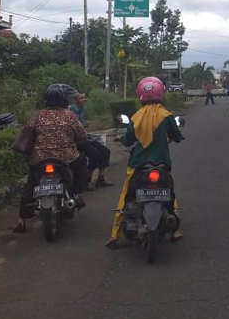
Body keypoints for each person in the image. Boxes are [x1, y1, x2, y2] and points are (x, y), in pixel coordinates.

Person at [105, 76, 185, 249]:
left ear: (140, 94)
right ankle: (175, 230)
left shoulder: (135, 117)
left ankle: (114, 234)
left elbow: (127, 141)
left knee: (126, 195)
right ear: (161, 92)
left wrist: (121, 139)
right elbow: (177, 137)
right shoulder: (167, 116)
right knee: (169, 192)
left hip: (138, 164)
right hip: (162, 163)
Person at [14, 84, 90, 233]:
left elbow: (27, 131)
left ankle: (21, 219)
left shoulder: (38, 115)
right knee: (82, 161)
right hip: (66, 158)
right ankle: (77, 194)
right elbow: (82, 134)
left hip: (40, 158)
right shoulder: (69, 115)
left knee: (31, 182)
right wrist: (84, 137)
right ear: (64, 99)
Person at [68, 93, 114, 189]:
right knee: (95, 154)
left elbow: (82, 124)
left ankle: (100, 178)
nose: (84, 100)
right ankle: (87, 179)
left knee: (105, 151)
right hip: (75, 141)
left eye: (84, 97)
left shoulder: (82, 110)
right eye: (81, 98)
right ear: (75, 100)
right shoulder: (71, 110)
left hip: (84, 137)